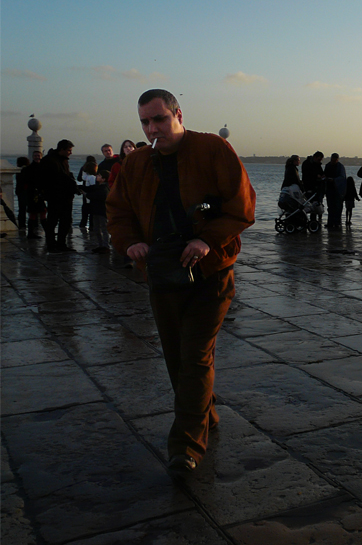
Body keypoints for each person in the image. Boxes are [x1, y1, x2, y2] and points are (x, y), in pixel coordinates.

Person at [107, 89, 255, 476]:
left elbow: (243, 206)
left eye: (159, 119)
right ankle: (205, 411)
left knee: (194, 354)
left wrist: (206, 239)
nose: (153, 128)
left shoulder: (212, 149)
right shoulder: (137, 162)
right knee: (176, 356)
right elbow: (118, 211)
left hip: (212, 273)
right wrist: (130, 243)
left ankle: (186, 446)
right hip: (162, 274)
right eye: (145, 122)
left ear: (179, 114)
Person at [39, 139, 80, 252]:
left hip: (65, 196)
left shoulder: (62, 161)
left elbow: (67, 176)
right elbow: (58, 178)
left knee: (65, 221)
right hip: (55, 197)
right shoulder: (50, 161)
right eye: (69, 150)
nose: (70, 153)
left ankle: (61, 243)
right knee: (53, 221)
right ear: (62, 149)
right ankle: (51, 244)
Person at [19, 150, 45, 239]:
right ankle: (31, 233)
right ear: (33, 157)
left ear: (41, 156)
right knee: (33, 213)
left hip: (40, 193)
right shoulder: (28, 169)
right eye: (35, 156)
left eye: (38, 155)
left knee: (43, 212)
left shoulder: (43, 167)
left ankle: (47, 232)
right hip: (32, 193)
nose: (37, 157)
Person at [85, 169, 111, 253]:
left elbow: (97, 196)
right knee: (97, 228)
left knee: (103, 228)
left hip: (101, 211)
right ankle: (101, 245)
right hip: (97, 210)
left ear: (103, 179)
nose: (97, 176)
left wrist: (87, 195)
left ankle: (105, 245)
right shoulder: (100, 187)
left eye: (99, 176)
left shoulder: (104, 188)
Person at [324, 153, 347, 229]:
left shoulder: (340, 167)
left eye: (335, 160)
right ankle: (330, 222)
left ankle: (337, 222)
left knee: (337, 206)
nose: (333, 161)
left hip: (338, 189)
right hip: (330, 189)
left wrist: (333, 180)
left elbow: (342, 177)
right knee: (330, 206)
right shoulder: (328, 165)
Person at [77, 155, 98, 229]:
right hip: (91, 193)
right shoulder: (93, 176)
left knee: (85, 209)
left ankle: (83, 224)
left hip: (85, 190)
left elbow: (79, 178)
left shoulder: (84, 168)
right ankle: (91, 226)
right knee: (92, 212)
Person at [15, 156, 30, 231]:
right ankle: (33, 225)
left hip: (21, 191)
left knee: (22, 209)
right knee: (31, 209)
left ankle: (22, 225)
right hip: (26, 191)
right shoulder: (28, 170)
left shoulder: (20, 171)